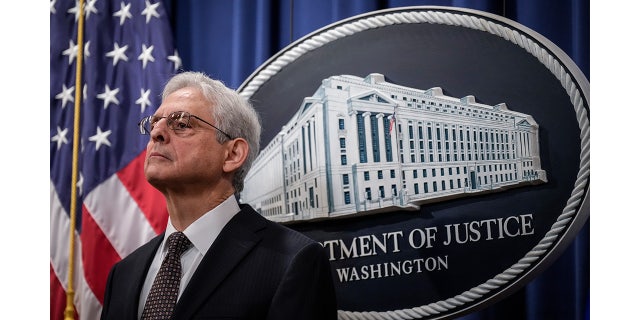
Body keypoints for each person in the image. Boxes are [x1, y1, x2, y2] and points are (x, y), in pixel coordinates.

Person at [100, 71, 338, 320]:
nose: (156, 134)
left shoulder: (293, 260)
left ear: (233, 154)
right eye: (154, 123)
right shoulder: (123, 274)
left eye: (181, 123)